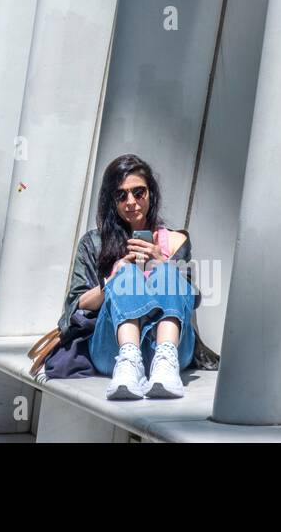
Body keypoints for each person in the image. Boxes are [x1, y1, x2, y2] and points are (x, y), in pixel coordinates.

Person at [58, 154, 195, 399]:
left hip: (169, 350)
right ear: (112, 202)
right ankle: (130, 361)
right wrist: (114, 278)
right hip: (112, 351)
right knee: (127, 272)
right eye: (121, 195)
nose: (131, 202)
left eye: (138, 192)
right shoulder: (93, 243)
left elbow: (190, 300)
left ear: (151, 193)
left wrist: (161, 262)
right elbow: (75, 305)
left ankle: (164, 365)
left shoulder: (177, 241)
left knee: (167, 271)